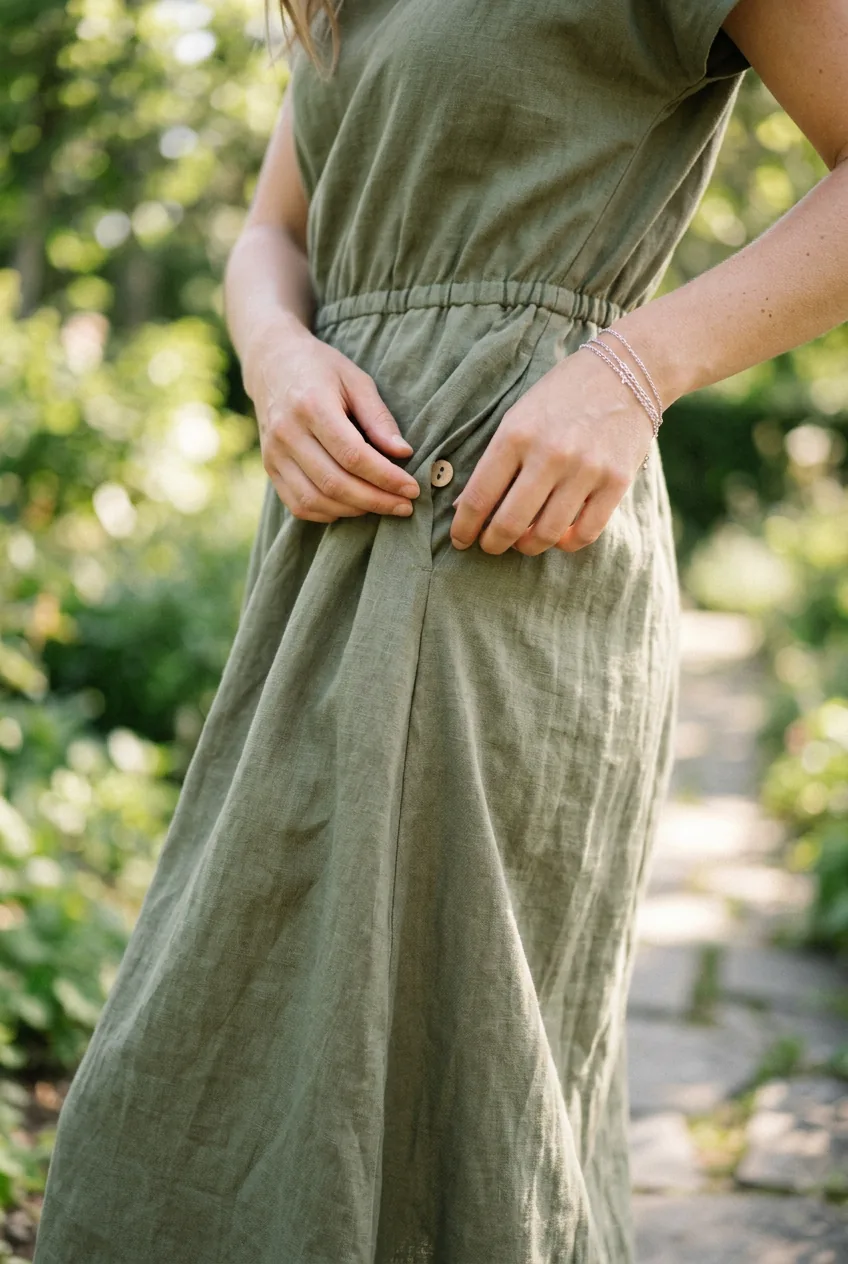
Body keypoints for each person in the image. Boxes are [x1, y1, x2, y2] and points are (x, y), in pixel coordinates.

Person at [33, 2, 848, 1261]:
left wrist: (639, 368)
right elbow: (272, 231)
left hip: (508, 551)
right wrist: (275, 357)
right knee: (228, 1029)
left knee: (451, 1083)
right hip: (319, 548)